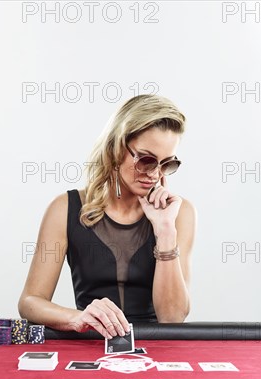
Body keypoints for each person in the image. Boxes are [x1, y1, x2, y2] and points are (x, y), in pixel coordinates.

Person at [18, 94, 196, 339]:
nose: (155, 174)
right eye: (146, 160)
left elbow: (172, 318)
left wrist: (165, 230)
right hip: (90, 345)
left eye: (166, 164)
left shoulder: (180, 213)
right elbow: (30, 302)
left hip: (158, 350)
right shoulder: (64, 208)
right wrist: (76, 318)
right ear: (116, 149)